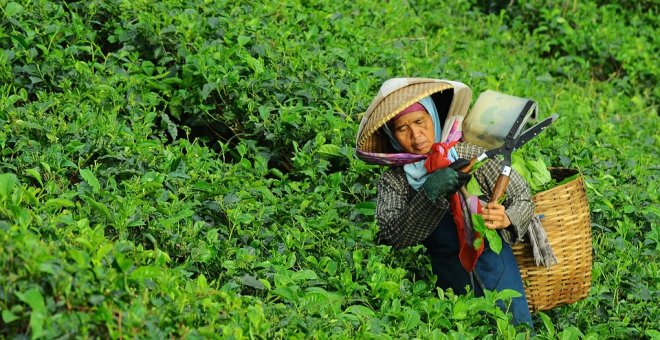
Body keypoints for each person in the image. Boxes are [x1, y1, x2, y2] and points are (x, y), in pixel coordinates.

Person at [355, 78, 534, 327]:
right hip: (451, 284)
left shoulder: (467, 154)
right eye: (402, 128)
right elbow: (391, 234)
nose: (416, 136)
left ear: (433, 118)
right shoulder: (394, 180)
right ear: (391, 134)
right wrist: (429, 193)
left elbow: (522, 196)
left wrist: (508, 216)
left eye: (420, 121)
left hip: (500, 273)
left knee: (517, 330)